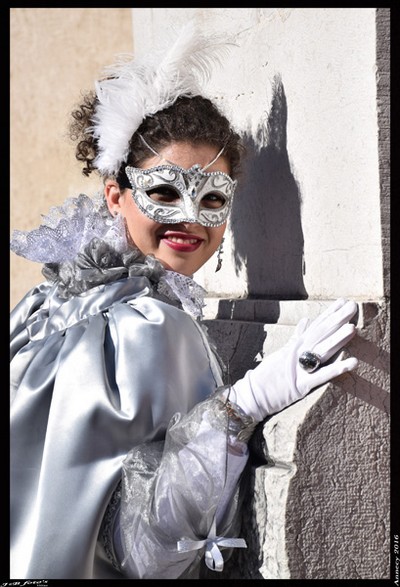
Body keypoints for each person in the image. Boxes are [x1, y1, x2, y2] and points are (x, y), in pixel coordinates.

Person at [10, 23, 358, 580]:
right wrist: (243, 405)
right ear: (115, 193)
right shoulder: (153, 327)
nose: (190, 218)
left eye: (213, 198)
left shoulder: (44, 302)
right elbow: (146, 551)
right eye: (165, 192)